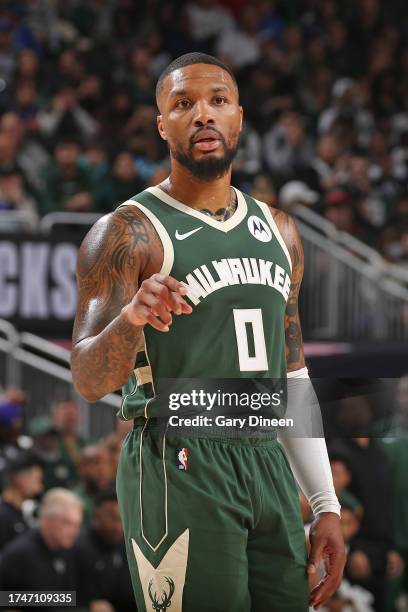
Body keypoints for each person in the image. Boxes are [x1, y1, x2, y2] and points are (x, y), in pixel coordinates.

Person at [71, 52, 345, 611]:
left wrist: (325, 504)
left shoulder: (282, 232)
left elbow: (292, 373)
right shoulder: (127, 232)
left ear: (239, 117)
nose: (203, 115)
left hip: (265, 459)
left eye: (218, 101)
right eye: (184, 104)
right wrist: (130, 321)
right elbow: (87, 378)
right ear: (161, 124)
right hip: (179, 459)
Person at [0, 488, 83, 611]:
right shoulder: (20, 554)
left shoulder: (68, 549)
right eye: (67, 523)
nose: (74, 532)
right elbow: (4, 599)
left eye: (77, 525)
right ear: (47, 520)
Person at [75, 487, 135, 612]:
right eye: (112, 518)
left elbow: (127, 593)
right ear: (96, 516)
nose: (118, 526)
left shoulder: (126, 546)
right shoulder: (76, 547)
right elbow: (52, 596)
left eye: (123, 519)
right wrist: (87, 605)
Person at [0, 453, 43, 551]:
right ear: (21, 479)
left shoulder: (23, 512)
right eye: (37, 480)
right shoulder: (2, 515)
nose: (40, 488)